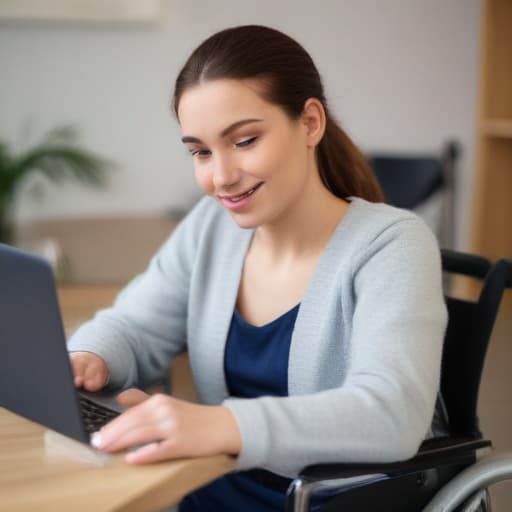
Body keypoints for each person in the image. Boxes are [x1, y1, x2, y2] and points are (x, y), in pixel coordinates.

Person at [68, 25, 448, 511]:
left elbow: (392, 412)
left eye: (244, 141)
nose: (220, 177)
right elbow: (136, 325)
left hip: (336, 500)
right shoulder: (212, 226)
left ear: (310, 122)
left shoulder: (392, 244)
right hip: (218, 484)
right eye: (201, 152)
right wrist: (89, 357)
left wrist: (221, 425)